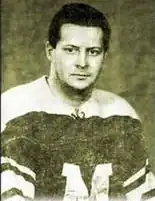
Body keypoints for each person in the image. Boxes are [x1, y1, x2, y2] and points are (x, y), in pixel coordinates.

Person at [1, 3, 155, 201]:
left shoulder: (121, 114)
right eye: (71, 50)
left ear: (104, 57)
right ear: (50, 51)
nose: (82, 63)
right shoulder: (14, 108)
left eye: (93, 52)